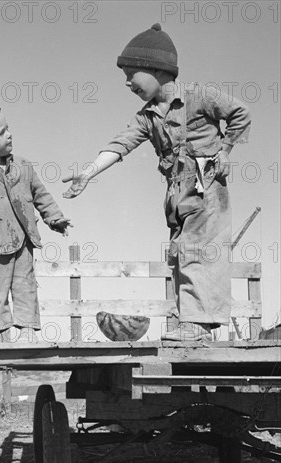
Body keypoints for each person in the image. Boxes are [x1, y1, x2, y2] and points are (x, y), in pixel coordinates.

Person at [62, 23, 251, 341]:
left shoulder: (199, 96)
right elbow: (120, 144)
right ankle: (190, 322)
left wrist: (226, 150)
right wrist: (88, 172)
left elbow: (240, 113)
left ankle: (198, 325)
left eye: (131, 74)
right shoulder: (146, 117)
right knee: (180, 253)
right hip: (177, 191)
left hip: (205, 181)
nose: (127, 83)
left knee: (198, 249)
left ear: (156, 69)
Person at [0, 103, 72, 343]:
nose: (9, 135)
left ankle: (27, 330)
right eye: (1, 133)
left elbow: (42, 195)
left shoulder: (24, 167)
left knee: (25, 286)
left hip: (23, 241)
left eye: (8, 129)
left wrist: (54, 218)